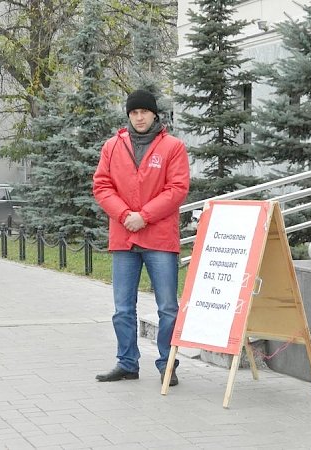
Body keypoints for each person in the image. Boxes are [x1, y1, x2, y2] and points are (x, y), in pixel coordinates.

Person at [93, 89, 190, 386]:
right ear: (128, 115)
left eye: (144, 112)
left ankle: (167, 364)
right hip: (124, 237)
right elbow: (102, 185)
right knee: (122, 307)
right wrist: (124, 216)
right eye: (134, 112)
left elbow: (177, 188)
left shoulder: (173, 147)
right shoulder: (112, 147)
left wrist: (144, 216)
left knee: (167, 308)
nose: (139, 117)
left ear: (154, 114)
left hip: (159, 238)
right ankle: (127, 363)